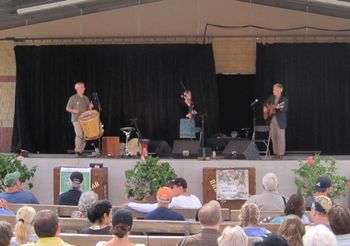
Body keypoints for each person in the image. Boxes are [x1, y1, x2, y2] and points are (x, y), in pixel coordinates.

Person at [127, 177, 202, 213]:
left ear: (180, 187)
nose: (170, 189)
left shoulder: (176, 200)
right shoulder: (195, 198)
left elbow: (151, 208)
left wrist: (130, 204)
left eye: (172, 187)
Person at [66, 82, 93, 156]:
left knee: (85, 135)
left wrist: (90, 106)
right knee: (79, 134)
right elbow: (67, 108)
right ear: (77, 89)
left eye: (83, 87)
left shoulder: (86, 98)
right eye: (81, 87)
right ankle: (77, 150)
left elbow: (88, 109)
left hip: (85, 120)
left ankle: (81, 151)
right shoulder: (73, 98)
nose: (83, 88)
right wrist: (74, 110)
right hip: (76, 119)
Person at [263, 83, 288, 159]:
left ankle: (280, 154)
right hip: (271, 120)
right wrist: (265, 108)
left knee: (280, 137)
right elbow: (264, 104)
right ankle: (276, 153)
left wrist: (278, 107)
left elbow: (284, 108)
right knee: (274, 137)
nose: (273, 90)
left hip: (280, 120)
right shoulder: (271, 97)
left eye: (274, 89)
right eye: (273, 89)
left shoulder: (284, 99)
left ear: (280, 90)